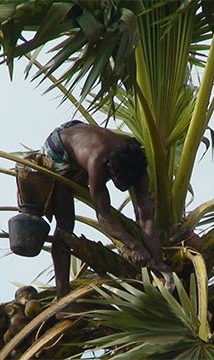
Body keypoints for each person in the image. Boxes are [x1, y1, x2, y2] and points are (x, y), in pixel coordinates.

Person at [39, 120, 167, 300]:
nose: (122, 189)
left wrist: (159, 261)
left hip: (85, 138)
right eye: (118, 183)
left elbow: (146, 217)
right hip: (61, 145)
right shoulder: (97, 162)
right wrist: (134, 245)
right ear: (109, 170)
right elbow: (103, 217)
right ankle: (63, 299)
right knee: (65, 223)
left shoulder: (137, 166)